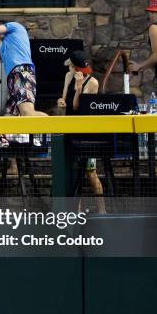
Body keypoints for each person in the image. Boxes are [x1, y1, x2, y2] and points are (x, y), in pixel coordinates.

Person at [57, 50, 106, 214]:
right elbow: (66, 103)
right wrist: (61, 103)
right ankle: (76, 210)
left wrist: (78, 89)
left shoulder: (93, 83)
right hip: (69, 128)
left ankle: (102, 210)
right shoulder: (68, 76)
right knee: (72, 171)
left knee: (90, 172)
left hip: (86, 132)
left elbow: (79, 106)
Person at [0, 22, 47, 117]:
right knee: (10, 116)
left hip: (22, 72)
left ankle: (54, 127)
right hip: (13, 79)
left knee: (27, 113)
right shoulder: (4, 48)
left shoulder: (15, 26)